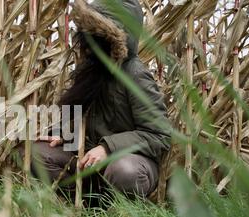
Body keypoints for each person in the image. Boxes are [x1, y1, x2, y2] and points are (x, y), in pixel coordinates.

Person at [21, 0, 171, 205]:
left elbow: (158, 135)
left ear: (115, 37)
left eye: (97, 33)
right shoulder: (91, 70)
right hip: (88, 161)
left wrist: (108, 148)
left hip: (130, 161)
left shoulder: (136, 76)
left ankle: (118, 207)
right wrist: (62, 134)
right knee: (36, 153)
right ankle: (86, 202)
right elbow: (82, 117)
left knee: (123, 171)